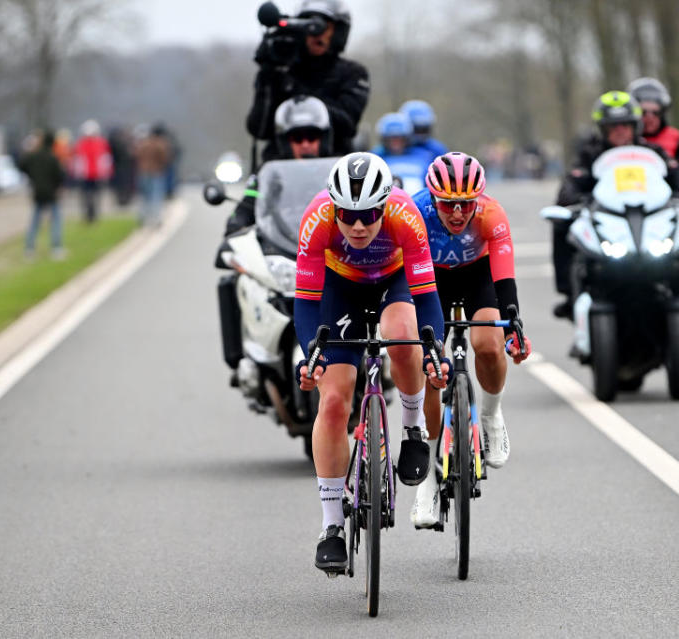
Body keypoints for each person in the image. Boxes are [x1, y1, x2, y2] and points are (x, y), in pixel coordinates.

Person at [292, 152, 448, 572]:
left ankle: (413, 428)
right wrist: (312, 357)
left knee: (402, 333)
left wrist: (435, 348)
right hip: (339, 287)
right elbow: (305, 305)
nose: (358, 226)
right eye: (347, 215)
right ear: (333, 207)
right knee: (334, 401)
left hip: (392, 279)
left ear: (385, 205)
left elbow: (427, 295)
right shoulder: (315, 220)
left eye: (369, 215)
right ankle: (331, 527)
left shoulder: (406, 215)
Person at [408, 152, 532, 528]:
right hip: (432, 279)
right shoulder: (415, 213)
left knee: (488, 344)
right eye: (448, 204)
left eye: (465, 204)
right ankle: (427, 479)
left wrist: (513, 327)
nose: (458, 213)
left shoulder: (491, 215)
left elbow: (504, 276)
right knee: (429, 366)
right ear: (433, 198)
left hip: (478, 275)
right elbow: (404, 274)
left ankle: (492, 416)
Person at [551, 91, 679, 319]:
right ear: (603, 129)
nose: (620, 130)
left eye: (625, 125)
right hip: (608, 224)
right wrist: (574, 199)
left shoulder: (654, 153)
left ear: (636, 126)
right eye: (613, 126)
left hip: (652, 222)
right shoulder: (590, 155)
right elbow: (568, 190)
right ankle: (569, 294)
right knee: (561, 223)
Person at [246, 0, 369, 163]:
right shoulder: (282, 71)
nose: (316, 34)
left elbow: (346, 124)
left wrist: (299, 98)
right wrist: (269, 73)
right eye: (308, 26)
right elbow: (259, 129)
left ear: (338, 31)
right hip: (281, 171)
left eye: (323, 26)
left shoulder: (353, 73)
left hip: (334, 167)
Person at [223, 95, 334, 237]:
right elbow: (247, 206)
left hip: (331, 249)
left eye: (312, 137)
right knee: (226, 252)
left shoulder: (339, 174)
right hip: (280, 249)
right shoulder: (269, 174)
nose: (305, 144)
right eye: (297, 138)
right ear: (286, 142)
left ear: (323, 138)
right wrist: (237, 223)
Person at [627, 77, 679, 179]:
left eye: (655, 112)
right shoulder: (624, 138)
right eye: (643, 112)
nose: (649, 117)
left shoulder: (676, 139)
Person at [18, 130, 66, 259]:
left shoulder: (34, 156)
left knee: (35, 221)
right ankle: (56, 247)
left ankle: (29, 248)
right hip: (51, 193)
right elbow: (60, 176)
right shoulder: (52, 157)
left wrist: (33, 177)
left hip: (38, 191)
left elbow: (22, 165)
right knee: (55, 220)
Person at [72, 120, 113, 223]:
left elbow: (105, 159)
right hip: (87, 174)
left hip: (95, 174)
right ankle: (89, 214)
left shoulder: (100, 143)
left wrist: (106, 172)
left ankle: (93, 214)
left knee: (93, 196)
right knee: (88, 196)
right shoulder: (82, 144)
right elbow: (79, 160)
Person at [133, 125, 171, 227]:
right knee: (156, 196)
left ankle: (142, 217)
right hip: (156, 173)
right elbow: (165, 158)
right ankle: (156, 219)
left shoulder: (143, 143)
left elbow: (137, 155)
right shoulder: (160, 144)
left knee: (144, 197)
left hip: (143, 172)